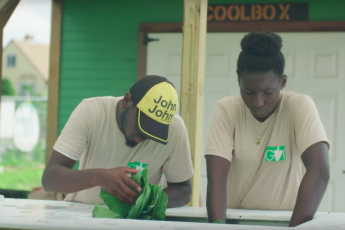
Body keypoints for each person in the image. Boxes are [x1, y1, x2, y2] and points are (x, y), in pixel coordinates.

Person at [205, 31, 330, 227]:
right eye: (248, 92)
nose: (257, 102)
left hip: (287, 222)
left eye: (267, 92)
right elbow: (216, 178)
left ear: (282, 82)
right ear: (239, 81)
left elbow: (319, 171)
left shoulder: (299, 106)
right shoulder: (227, 109)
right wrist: (218, 226)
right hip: (234, 222)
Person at [42, 75, 193, 208]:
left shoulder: (174, 129)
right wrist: (99, 177)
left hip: (137, 223)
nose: (142, 137)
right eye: (142, 125)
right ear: (127, 101)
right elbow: (50, 179)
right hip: (82, 214)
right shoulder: (91, 112)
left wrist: (147, 201)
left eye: (153, 133)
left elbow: (183, 189)